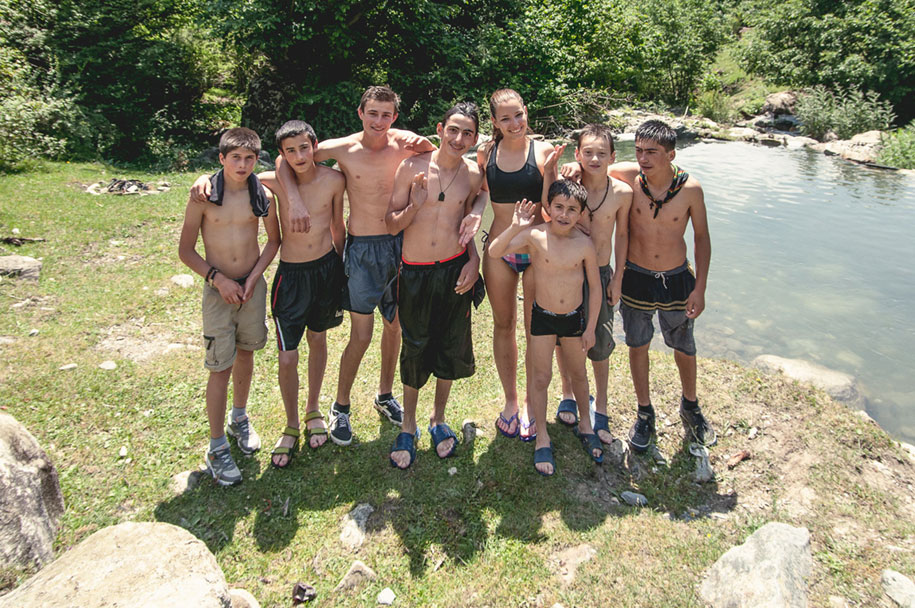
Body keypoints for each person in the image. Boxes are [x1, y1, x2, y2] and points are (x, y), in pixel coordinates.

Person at [190, 86, 435, 446]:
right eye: (372, 113)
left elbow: (441, 152)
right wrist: (209, 178)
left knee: (394, 326)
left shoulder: (404, 143)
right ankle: (341, 406)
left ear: (394, 117)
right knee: (361, 335)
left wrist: (427, 143)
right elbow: (285, 159)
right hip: (363, 247)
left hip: (399, 244)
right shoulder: (339, 148)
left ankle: (385, 395)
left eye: (386, 114)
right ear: (360, 113)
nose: (379, 121)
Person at [564, 120, 715, 452]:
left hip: (676, 277)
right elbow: (596, 164)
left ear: (671, 154)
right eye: (640, 151)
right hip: (636, 275)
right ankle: (644, 412)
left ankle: (690, 404)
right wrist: (575, 164)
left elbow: (702, 238)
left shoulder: (690, 189)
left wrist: (700, 287)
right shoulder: (631, 177)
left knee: (684, 345)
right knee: (638, 344)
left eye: (653, 153)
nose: (644, 159)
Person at [384, 102, 485, 469]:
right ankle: (408, 425)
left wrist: (474, 259)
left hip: (454, 269)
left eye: (468, 133)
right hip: (415, 271)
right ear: (440, 129)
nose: (459, 139)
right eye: (453, 130)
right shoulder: (411, 168)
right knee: (415, 347)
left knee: (450, 344)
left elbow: (474, 211)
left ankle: (438, 419)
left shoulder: (473, 174)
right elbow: (392, 223)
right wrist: (414, 206)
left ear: (475, 139)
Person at [178, 127, 281, 486]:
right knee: (219, 366)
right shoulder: (204, 196)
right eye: (234, 157)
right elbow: (186, 250)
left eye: (249, 158)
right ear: (221, 159)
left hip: (251, 288)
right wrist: (217, 279)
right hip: (218, 291)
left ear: (257, 159)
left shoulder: (262, 195)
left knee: (247, 353)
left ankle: (239, 418)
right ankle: (217, 445)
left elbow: (273, 240)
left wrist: (253, 279)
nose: (242, 164)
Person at [488, 180, 602, 476]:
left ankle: (586, 426)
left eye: (572, 210)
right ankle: (542, 435)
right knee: (540, 377)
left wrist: (590, 328)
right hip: (543, 317)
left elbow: (596, 288)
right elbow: (494, 251)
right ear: (548, 208)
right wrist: (515, 226)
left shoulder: (584, 245)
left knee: (578, 375)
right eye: (559, 207)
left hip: (574, 319)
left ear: (580, 214)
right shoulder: (535, 235)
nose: (564, 214)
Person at [254, 120, 346, 467]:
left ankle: (312, 409)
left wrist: (343, 268)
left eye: (304, 148)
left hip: (326, 271)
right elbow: (235, 177)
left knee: (318, 341)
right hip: (291, 277)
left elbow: (338, 226)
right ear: (281, 154)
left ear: (315, 145)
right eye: (289, 151)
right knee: (287, 356)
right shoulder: (272, 182)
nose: (298, 156)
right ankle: (291, 424)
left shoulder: (334, 180)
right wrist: (203, 181)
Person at [473, 89, 559, 442]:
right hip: (500, 249)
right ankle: (510, 402)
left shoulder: (544, 151)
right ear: (494, 121)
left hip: (537, 251)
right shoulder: (486, 153)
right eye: (505, 118)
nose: (514, 124)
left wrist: (552, 172)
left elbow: (553, 209)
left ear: (527, 113)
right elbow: (479, 191)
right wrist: (475, 214)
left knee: (534, 330)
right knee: (503, 325)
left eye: (518, 115)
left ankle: (531, 403)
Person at [551, 124, 631, 446]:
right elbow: (551, 211)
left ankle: (602, 404)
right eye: (588, 152)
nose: (594, 158)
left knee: (600, 342)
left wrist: (619, 278)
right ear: (577, 154)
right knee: (564, 338)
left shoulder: (622, 193)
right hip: (569, 272)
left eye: (601, 153)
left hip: (601, 272)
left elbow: (623, 235)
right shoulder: (570, 186)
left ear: (613, 156)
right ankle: (567, 393)